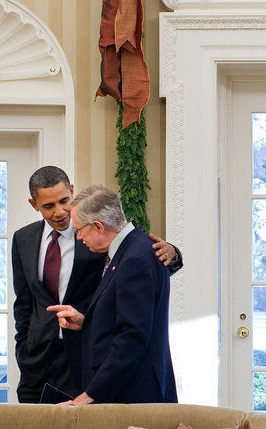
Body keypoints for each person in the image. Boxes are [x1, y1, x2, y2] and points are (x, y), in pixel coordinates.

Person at [11, 167, 181, 403]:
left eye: (64, 201)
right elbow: (23, 304)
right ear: (34, 204)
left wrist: (171, 255)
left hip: (87, 359)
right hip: (38, 363)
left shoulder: (100, 233)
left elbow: (139, 266)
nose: (60, 212)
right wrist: (24, 350)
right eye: (49, 206)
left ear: (71, 191)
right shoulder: (23, 239)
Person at [48, 185, 177, 405]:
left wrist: (91, 394)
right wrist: (86, 321)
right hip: (132, 389)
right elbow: (123, 316)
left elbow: (132, 338)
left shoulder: (134, 259)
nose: (78, 237)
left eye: (79, 230)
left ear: (98, 226)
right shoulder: (137, 247)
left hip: (133, 394)